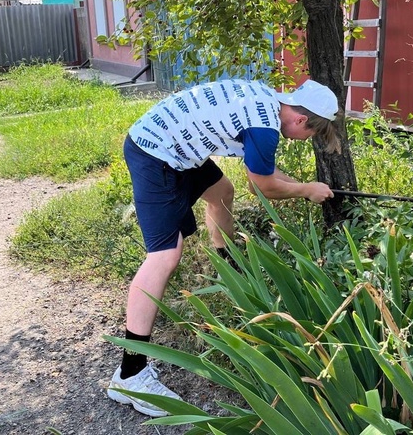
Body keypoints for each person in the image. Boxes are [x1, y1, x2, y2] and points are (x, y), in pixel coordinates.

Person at [107, 78, 339, 416]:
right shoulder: (264, 126)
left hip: (177, 146)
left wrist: (307, 185)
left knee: (220, 192)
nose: (307, 140)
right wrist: (306, 191)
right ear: (301, 120)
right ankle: (130, 374)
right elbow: (263, 185)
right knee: (164, 256)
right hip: (155, 152)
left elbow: (269, 171)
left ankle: (229, 268)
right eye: (312, 134)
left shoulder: (267, 101)